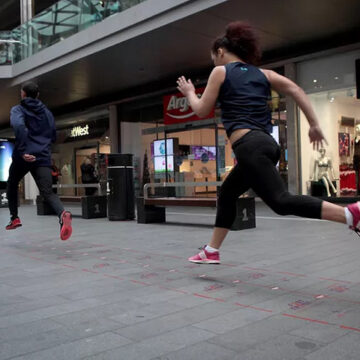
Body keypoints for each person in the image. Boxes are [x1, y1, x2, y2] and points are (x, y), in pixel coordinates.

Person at [176, 21, 360, 264]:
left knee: (281, 202)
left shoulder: (220, 71)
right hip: (265, 145)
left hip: (250, 147)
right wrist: (313, 124)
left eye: (214, 57)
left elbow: (201, 110)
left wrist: (189, 92)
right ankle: (212, 250)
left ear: (220, 51)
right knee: (229, 192)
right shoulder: (264, 74)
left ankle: (349, 214)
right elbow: (295, 89)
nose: (214, 62)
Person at [6, 81, 72, 241]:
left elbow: (19, 126)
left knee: (12, 184)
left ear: (22, 94)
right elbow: (53, 135)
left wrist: (23, 151)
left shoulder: (18, 109)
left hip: (24, 157)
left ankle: (14, 217)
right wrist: (42, 147)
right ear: (38, 95)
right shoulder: (47, 113)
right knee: (47, 192)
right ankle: (63, 214)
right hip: (42, 157)